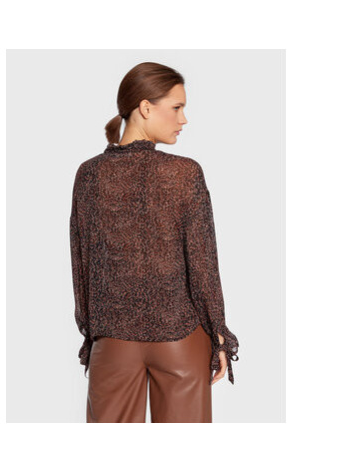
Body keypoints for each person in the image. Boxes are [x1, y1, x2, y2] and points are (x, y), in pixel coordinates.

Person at [69, 62, 239, 423]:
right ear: (145, 107)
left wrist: (93, 335)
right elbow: (203, 264)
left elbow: (82, 265)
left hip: (113, 340)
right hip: (181, 335)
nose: (183, 119)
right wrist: (219, 335)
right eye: (177, 107)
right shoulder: (184, 173)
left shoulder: (89, 175)